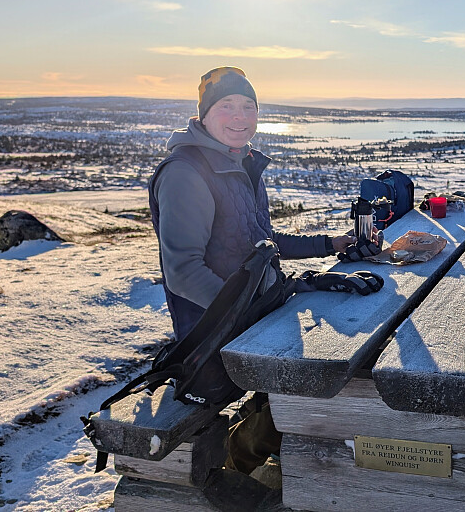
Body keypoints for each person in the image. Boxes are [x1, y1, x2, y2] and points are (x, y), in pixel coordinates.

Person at [147, 66, 363, 481]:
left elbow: (259, 239)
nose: (239, 116)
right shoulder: (186, 173)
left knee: (335, 354)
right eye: (226, 105)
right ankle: (247, 464)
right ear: (204, 114)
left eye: (249, 106)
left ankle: (278, 447)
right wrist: (249, 319)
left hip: (258, 315)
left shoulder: (238, 161)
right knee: (312, 380)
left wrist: (330, 244)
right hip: (214, 332)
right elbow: (184, 272)